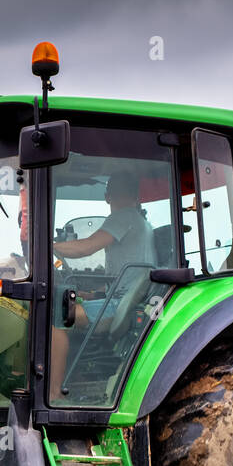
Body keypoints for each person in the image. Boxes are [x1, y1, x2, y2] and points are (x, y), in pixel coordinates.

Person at [49, 172, 156, 401]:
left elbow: (85, 248)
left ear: (108, 197)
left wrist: (48, 246)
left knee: (57, 318)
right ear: (136, 195)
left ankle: (54, 393)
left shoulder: (123, 216)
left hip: (119, 305)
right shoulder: (140, 222)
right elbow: (124, 279)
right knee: (71, 303)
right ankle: (70, 382)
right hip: (125, 299)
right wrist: (92, 295)